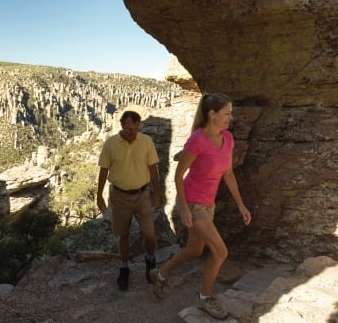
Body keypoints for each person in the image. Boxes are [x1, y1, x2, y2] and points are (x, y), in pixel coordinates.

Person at [148, 93, 251, 319]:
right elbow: (178, 175)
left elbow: (229, 175)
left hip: (208, 203)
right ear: (212, 114)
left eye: (231, 113)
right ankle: (205, 298)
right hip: (194, 203)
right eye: (227, 113)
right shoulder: (198, 140)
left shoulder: (228, 139)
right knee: (221, 251)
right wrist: (184, 208)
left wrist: (241, 205)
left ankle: (160, 274)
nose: (230, 117)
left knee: (195, 249)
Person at [97, 110, 161, 291]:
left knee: (149, 233)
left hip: (142, 195)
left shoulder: (146, 142)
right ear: (121, 126)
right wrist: (99, 194)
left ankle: (150, 259)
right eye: (127, 128)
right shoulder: (111, 144)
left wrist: (157, 194)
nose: (131, 132)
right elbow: (103, 169)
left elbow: (153, 168)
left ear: (139, 125)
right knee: (123, 234)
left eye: (134, 128)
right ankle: (124, 267)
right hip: (119, 196)